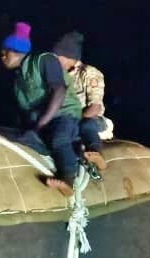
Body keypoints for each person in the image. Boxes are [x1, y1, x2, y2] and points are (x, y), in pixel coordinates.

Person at [0, 22, 84, 195]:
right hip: (42, 121)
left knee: (58, 139)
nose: (2, 56)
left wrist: (42, 122)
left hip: (63, 113)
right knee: (3, 133)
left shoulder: (44, 59)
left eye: (5, 52)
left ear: (17, 51)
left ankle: (69, 179)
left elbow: (59, 90)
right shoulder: (18, 80)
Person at [53, 31, 112, 170]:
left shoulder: (89, 73)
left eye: (56, 56)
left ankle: (96, 153)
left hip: (90, 119)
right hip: (65, 120)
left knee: (86, 124)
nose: (53, 60)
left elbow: (94, 108)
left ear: (68, 56)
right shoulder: (57, 76)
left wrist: (72, 118)